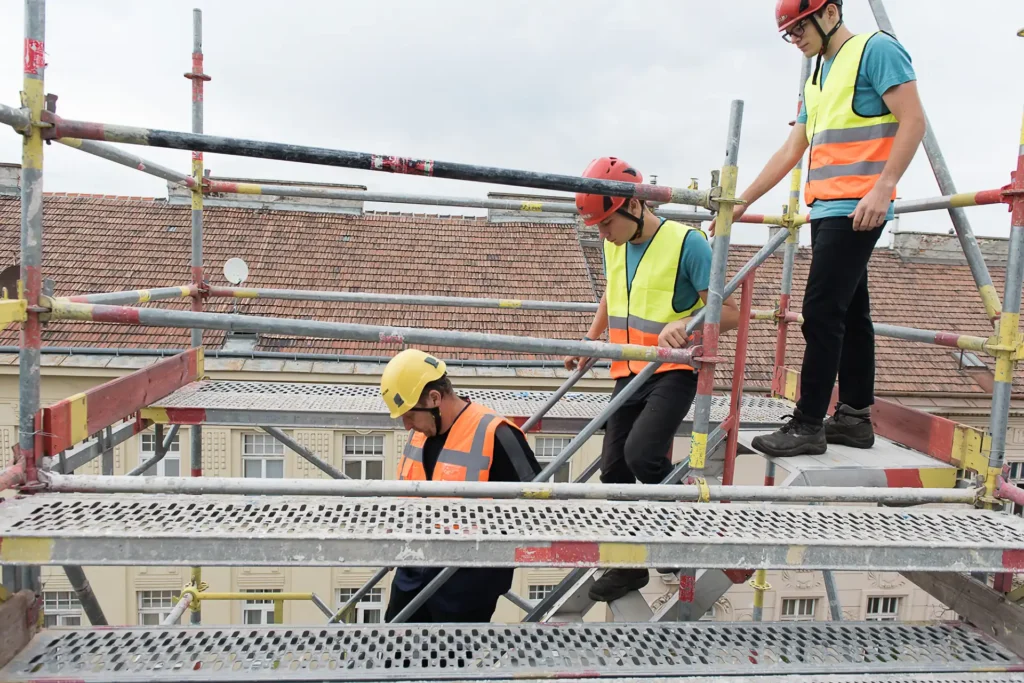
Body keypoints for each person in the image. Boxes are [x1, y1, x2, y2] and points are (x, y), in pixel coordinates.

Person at [717, 0, 925, 458]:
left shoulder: (875, 50)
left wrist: (884, 187)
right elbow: (794, 146)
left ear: (830, 13)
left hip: (859, 206)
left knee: (821, 311)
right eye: (788, 34)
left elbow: (914, 120)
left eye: (799, 29)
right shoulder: (816, 74)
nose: (796, 40)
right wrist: (742, 200)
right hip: (829, 209)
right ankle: (853, 418)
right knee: (850, 314)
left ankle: (809, 423)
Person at [567, 157, 740, 603]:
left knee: (643, 454)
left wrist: (687, 321)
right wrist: (590, 342)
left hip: (672, 370)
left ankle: (678, 531)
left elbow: (734, 314)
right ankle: (627, 569)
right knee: (614, 471)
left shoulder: (689, 243)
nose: (602, 234)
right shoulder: (613, 243)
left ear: (632, 206)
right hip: (627, 369)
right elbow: (613, 290)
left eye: (605, 224)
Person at [380, 348, 542, 622]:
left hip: (465, 585)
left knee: (450, 662)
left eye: (409, 415)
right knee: (393, 656)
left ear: (434, 398)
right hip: (413, 571)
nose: (406, 425)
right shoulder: (421, 433)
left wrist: (487, 573)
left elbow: (535, 506)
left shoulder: (497, 434)